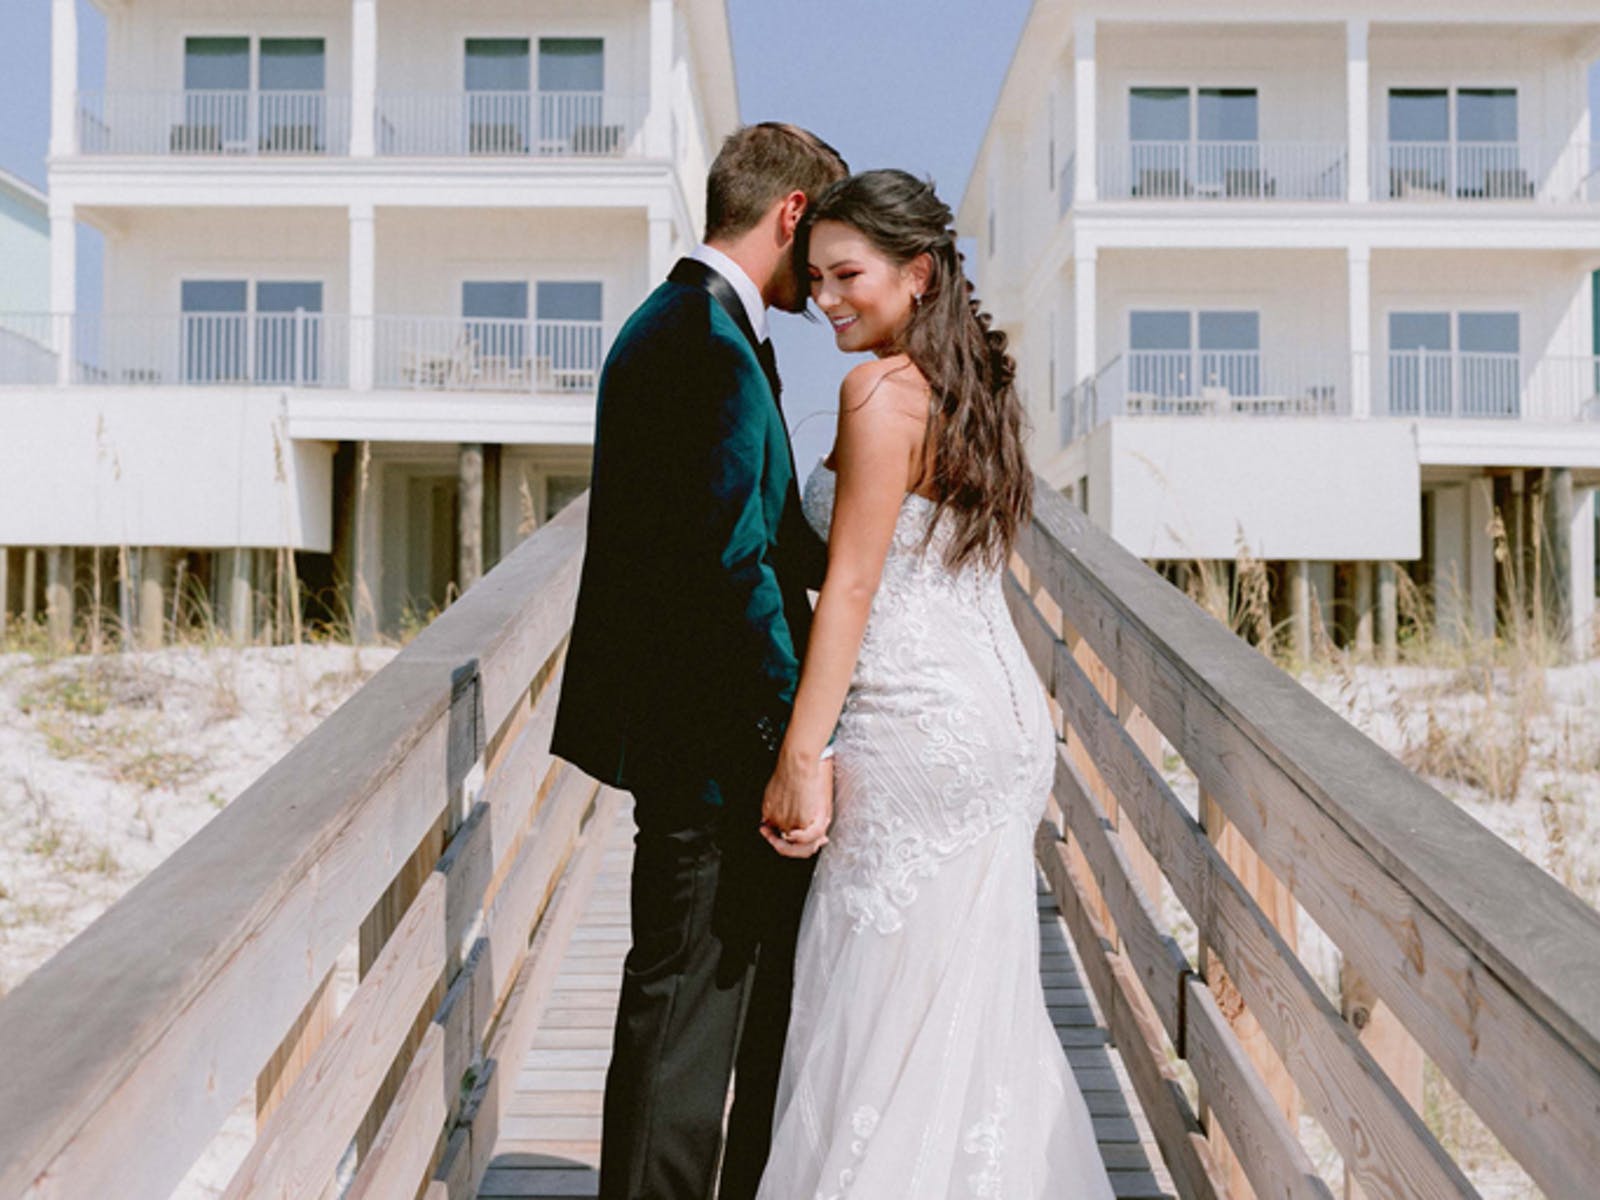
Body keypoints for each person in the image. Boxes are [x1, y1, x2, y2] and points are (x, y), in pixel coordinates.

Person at [753, 169, 1116, 1199]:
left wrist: (800, 756)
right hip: (1000, 726)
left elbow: (853, 585)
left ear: (917, 274)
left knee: (879, 999)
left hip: (916, 729)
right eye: (815, 277)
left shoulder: (877, 392)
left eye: (847, 275)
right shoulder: (974, 392)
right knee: (969, 1006)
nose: (825, 297)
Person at [550, 122, 847, 1200]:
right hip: (713, 749)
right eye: (824, 244)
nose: (825, 276)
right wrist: (794, 740)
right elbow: (731, 569)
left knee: (725, 1008)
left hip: (703, 736)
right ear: (790, 214)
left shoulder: (689, 325)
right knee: (683, 1019)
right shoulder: (700, 344)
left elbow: (752, 533)